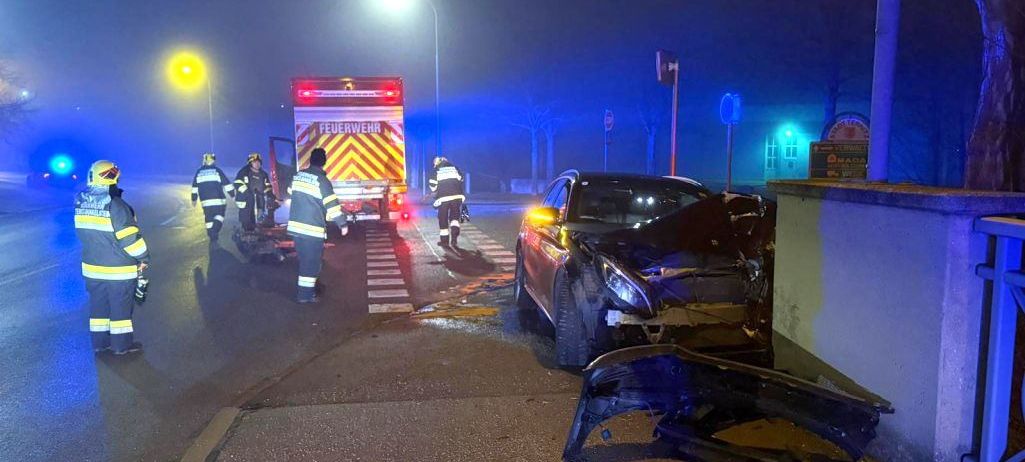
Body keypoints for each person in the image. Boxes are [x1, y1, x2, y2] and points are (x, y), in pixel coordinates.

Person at [74, 160, 149, 355]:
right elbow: (130, 239)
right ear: (111, 177)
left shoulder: (81, 200)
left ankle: (100, 343)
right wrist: (144, 257)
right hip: (118, 271)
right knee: (120, 310)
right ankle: (120, 346)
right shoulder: (116, 205)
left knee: (98, 308)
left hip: (92, 268)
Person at [286, 148, 344, 303]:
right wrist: (343, 224)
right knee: (311, 264)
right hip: (312, 230)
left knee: (305, 261)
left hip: (296, 229)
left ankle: (307, 291)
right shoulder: (322, 181)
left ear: (310, 160)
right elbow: (332, 207)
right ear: (323, 162)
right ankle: (305, 296)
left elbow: (290, 191)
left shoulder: (298, 176)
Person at [190, 153, 234, 244]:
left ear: (204, 160)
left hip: (205, 202)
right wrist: (233, 195)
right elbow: (227, 184)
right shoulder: (217, 171)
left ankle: (211, 235)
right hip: (219, 201)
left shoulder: (199, 172)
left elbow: (194, 187)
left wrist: (194, 199)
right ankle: (214, 231)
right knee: (220, 216)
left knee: (209, 218)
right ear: (214, 161)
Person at [428, 156, 466, 247]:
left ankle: (444, 241)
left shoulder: (436, 169)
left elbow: (432, 185)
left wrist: (435, 190)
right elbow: (461, 179)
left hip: (443, 198)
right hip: (457, 196)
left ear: (437, 163)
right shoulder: (455, 167)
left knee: (443, 218)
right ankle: (454, 239)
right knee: (454, 218)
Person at [233, 152, 275, 231]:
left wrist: (270, 195)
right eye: (255, 162)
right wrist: (247, 192)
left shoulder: (263, 174)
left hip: (259, 200)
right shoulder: (244, 172)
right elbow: (237, 183)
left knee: (260, 217)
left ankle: (259, 229)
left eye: (259, 162)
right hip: (245, 200)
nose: (257, 164)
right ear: (250, 163)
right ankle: (247, 231)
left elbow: (268, 186)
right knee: (247, 219)